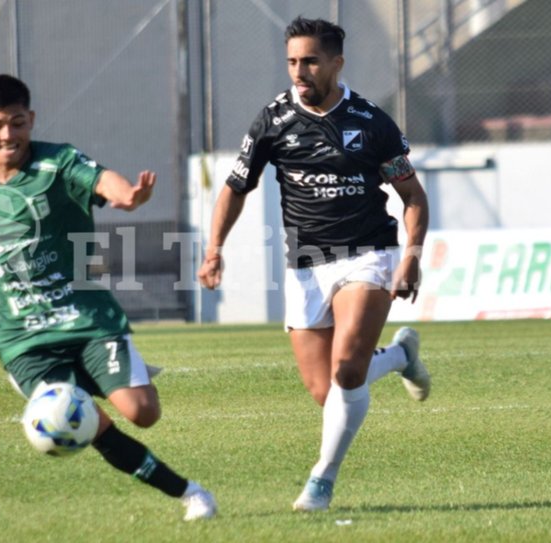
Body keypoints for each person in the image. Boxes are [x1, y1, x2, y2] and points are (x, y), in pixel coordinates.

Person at [0, 74, 216, 521]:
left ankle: (93, 374)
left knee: (144, 412)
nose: (7, 135)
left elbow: (101, 180)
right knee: (85, 423)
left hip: (85, 316)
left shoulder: (58, 163)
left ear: (31, 120)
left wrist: (127, 196)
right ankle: (192, 494)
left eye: (17, 123)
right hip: (22, 338)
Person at [197, 17, 432, 512]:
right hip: (305, 264)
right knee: (324, 392)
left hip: (369, 253)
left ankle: (321, 482)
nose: (299, 71)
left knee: (348, 371)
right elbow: (236, 187)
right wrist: (214, 246)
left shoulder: (372, 123)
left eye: (309, 61)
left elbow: (412, 196)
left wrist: (409, 257)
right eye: (292, 62)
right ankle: (400, 357)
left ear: (335, 63)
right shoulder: (273, 120)